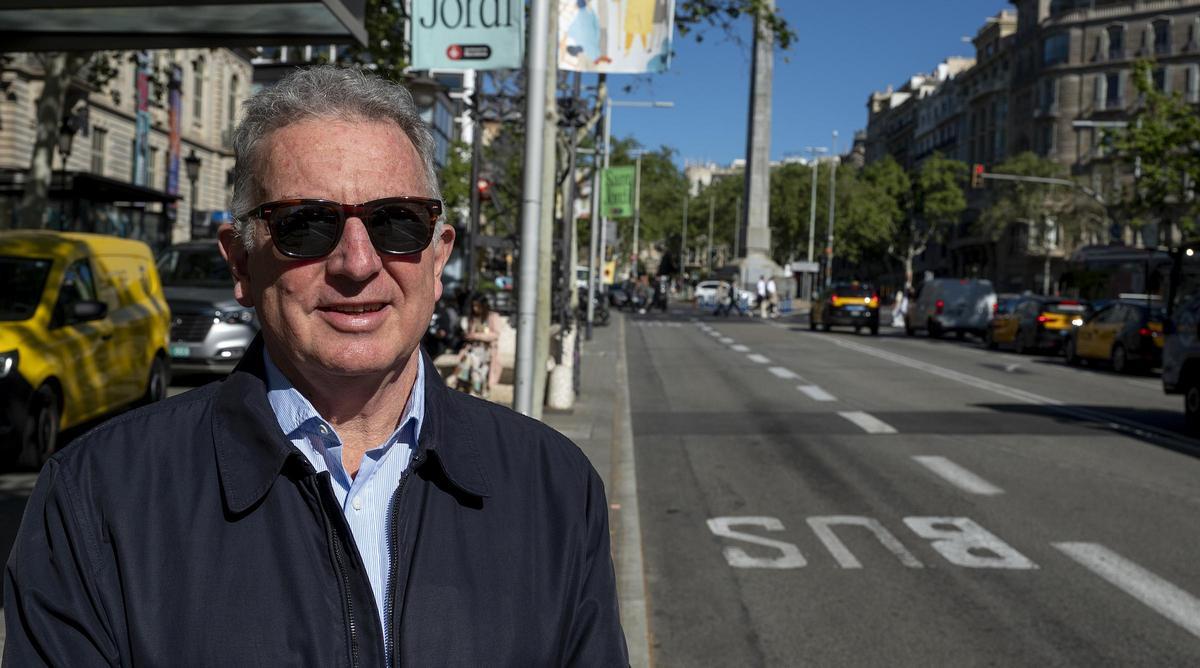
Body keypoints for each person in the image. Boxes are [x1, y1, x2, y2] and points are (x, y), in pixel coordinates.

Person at [4, 66, 628, 666]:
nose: (357, 263)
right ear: (241, 264)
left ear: (438, 260)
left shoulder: (555, 488)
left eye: (396, 222)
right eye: (305, 225)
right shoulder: (98, 498)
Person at [452, 293, 502, 398]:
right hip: (472, 350)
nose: (475, 309)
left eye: (477, 306)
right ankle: (472, 390)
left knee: (475, 366)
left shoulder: (492, 317)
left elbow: (495, 335)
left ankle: (476, 391)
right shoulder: (473, 318)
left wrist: (476, 336)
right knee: (470, 360)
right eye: (473, 306)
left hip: (486, 352)